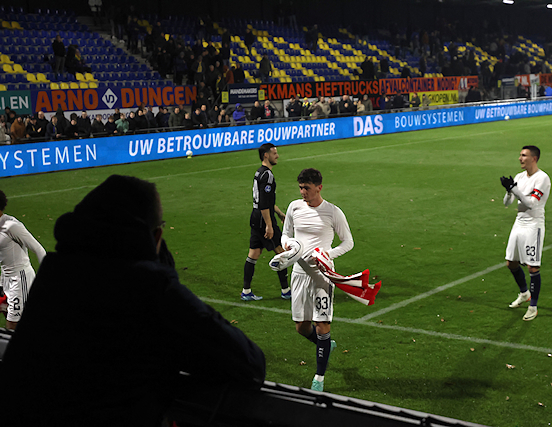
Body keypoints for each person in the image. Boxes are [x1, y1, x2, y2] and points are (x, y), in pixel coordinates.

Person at [2, 175, 266, 426]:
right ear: (156, 236)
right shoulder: (148, 287)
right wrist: (165, 275)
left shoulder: (54, 276)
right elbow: (250, 363)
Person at [281, 168, 354, 391]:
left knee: (322, 325)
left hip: (322, 276)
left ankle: (319, 378)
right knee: (301, 327)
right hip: (299, 274)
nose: (303, 192)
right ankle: (326, 346)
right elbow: (285, 234)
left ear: (319, 188)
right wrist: (288, 244)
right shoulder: (294, 207)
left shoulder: (333, 212)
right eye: (300, 188)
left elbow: (348, 242)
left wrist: (327, 254)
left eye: (307, 188)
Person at [500, 145, 551, 321]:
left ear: (534, 158)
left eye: (524, 155)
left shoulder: (542, 178)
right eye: (520, 155)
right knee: (511, 263)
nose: (520, 158)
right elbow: (507, 203)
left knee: (532, 267)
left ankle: (533, 307)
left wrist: (515, 189)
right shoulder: (520, 177)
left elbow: (531, 204)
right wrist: (509, 190)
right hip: (519, 223)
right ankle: (524, 293)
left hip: (533, 225)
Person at [242, 143, 290, 301]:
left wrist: (280, 214)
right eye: (274, 153)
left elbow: (266, 201)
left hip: (255, 216)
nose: (277, 156)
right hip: (264, 218)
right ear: (266, 155)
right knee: (282, 253)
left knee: (253, 253)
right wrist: (269, 225)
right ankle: (286, 290)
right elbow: (264, 203)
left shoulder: (259, 172)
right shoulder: (267, 175)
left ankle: (246, 291)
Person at [0, 190, 46, 331]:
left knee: (12, 323)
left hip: (20, 279)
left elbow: (39, 249)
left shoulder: (11, 226)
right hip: (6, 278)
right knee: (8, 312)